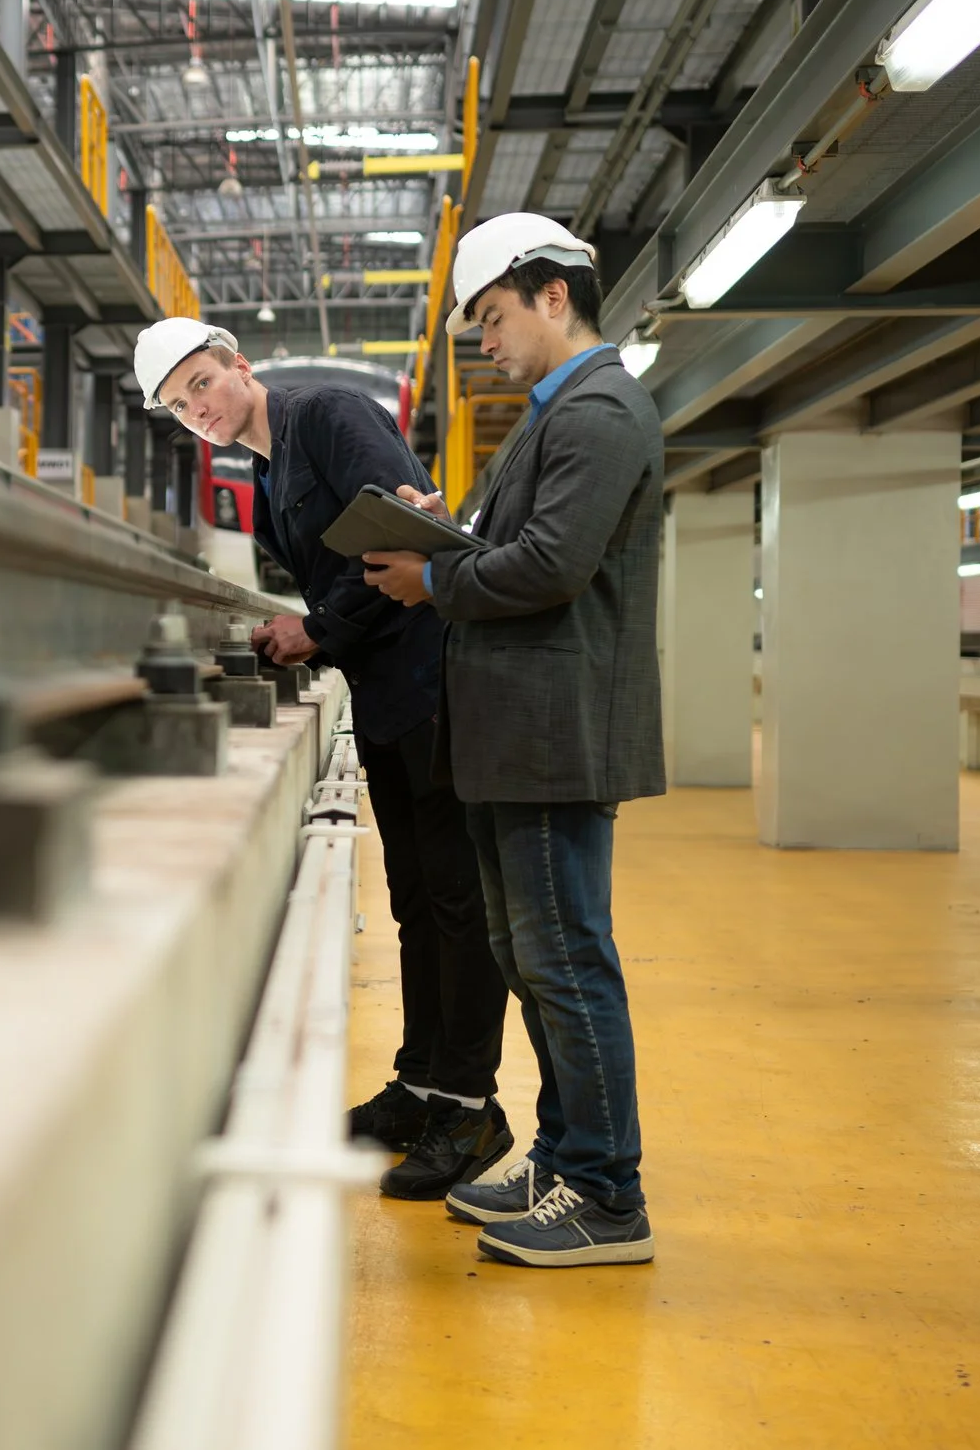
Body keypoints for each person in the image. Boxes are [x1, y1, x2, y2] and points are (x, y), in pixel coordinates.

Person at [135, 317, 510, 1202]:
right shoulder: (269, 471)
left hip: (432, 688)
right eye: (181, 407)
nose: (200, 411)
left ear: (239, 364)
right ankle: (422, 1083)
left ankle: (470, 1106)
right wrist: (319, 632)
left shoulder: (330, 414)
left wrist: (319, 628)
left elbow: (409, 535)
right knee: (417, 898)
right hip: (386, 698)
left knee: (457, 901)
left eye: (203, 385)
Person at [360, 212, 665, 1268]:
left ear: (550, 295)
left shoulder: (601, 408)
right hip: (508, 735)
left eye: (490, 317)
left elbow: (549, 566)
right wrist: (443, 527)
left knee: (567, 961)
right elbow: (520, 543)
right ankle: (563, 1152)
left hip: (550, 734)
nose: (482, 339)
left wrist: (432, 576)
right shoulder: (550, 417)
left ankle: (607, 1195)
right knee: (530, 960)